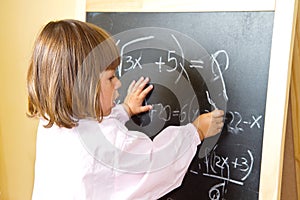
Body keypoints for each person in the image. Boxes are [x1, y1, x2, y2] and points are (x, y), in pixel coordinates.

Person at [27, 19, 224, 200]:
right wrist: (195, 131)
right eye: (111, 77)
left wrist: (125, 110)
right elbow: (156, 165)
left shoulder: (50, 121)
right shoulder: (112, 142)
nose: (119, 83)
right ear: (84, 86)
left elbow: (90, 125)